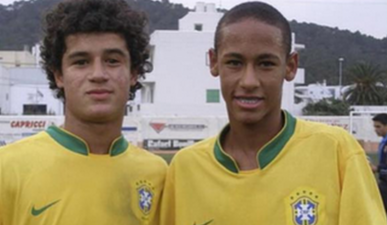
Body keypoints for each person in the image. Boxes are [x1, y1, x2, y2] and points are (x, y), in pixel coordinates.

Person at [160, 2, 387, 225]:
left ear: (290, 66)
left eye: (266, 64)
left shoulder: (337, 150)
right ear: (213, 62)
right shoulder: (185, 169)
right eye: (234, 62)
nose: (249, 81)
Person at [0, 0, 167, 224]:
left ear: (134, 74)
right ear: (58, 76)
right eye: (81, 62)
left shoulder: (158, 174)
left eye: (112, 61)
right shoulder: (2, 168)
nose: (98, 74)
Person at [373, 113, 387, 212]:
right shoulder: (384, 141)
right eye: (375, 126)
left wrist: (376, 169)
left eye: (378, 126)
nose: (375, 129)